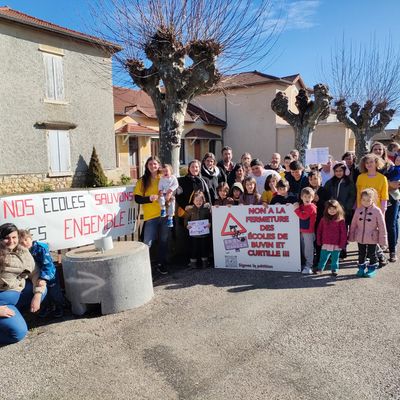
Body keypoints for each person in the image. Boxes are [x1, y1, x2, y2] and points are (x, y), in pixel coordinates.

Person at [0, 223, 47, 345]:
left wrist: (37, 295)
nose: (11, 241)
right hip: (2, 301)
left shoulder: (23, 251)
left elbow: (35, 273)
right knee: (18, 333)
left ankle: (15, 313)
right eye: (6, 238)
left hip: (18, 292)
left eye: (14, 237)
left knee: (42, 288)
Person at [134, 156, 170, 275]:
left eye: (155, 164)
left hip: (165, 215)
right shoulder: (142, 181)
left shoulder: (164, 177)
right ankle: (143, 267)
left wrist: (171, 194)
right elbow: (137, 199)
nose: (153, 166)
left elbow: (175, 188)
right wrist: (149, 198)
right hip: (150, 216)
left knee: (163, 241)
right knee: (147, 243)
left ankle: (161, 264)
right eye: (150, 164)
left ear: (159, 165)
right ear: (147, 166)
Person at [19, 230, 65, 318]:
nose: (25, 243)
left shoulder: (41, 248)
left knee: (54, 293)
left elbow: (48, 265)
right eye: (21, 242)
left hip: (49, 276)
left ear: (30, 238)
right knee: (43, 293)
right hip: (36, 275)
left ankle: (59, 306)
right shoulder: (24, 251)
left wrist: (44, 278)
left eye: (26, 239)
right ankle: (47, 307)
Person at [349, 188, 387, 278]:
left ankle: (371, 269)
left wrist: (383, 241)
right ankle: (361, 268)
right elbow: (353, 224)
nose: (365, 202)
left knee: (372, 254)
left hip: (372, 237)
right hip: (360, 237)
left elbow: (382, 226)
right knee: (361, 253)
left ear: (373, 200)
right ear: (360, 199)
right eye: (363, 200)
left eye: (368, 200)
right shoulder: (358, 210)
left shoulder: (377, 211)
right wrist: (351, 235)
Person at [324, 161, 356, 259]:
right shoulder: (330, 182)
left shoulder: (349, 183)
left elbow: (352, 196)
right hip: (332, 211)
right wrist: (329, 206)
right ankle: (333, 249)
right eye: (336, 171)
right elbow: (325, 194)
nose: (338, 173)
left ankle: (343, 248)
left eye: (340, 171)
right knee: (333, 230)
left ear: (344, 171)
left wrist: (346, 207)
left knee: (343, 230)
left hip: (345, 211)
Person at [315, 200, 347, 277]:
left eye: (334, 209)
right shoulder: (323, 219)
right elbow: (319, 230)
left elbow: (343, 233)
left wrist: (342, 244)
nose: (332, 211)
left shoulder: (341, 220)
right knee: (323, 257)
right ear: (327, 210)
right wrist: (318, 240)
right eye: (330, 209)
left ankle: (334, 269)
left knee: (335, 259)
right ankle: (320, 269)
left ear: (338, 209)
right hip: (325, 243)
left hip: (336, 244)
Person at [184, 191, 211, 269]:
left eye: (200, 200)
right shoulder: (190, 210)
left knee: (204, 248)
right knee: (194, 248)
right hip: (194, 234)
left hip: (204, 234)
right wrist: (187, 226)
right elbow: (186, 219)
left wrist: (210, 223)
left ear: (203, 200)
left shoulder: (206, 209)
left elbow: (210, 218)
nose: (198, 202)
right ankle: (193, 263)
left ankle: (205, 262)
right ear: (193, 201)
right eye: (196, 200)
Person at [294, 187, 317, 275]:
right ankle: (305, 264)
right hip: (302, 231)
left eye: (309, 197)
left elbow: (303, 216)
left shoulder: (311, 207)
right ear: (301, 197)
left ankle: (309, 266)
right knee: (303, 248)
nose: (307, 199)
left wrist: (296, 209)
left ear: (312, 197)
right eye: (305, 196)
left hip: (309, 232)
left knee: (308, 249)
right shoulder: (302, 206)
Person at [384, 153, 400, 262]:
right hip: (377, 198)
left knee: (391, 224)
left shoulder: (394, 168)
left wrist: (384, 182)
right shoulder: (390, 167)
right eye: (397, 159)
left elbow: (395, 184)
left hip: (392, 198)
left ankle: (392, 250)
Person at [158, 163, 179, 228]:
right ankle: (163, 208)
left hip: (171, 194)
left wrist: (171, 189)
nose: (165, 173)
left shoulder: (173, 178)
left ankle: (170, 218)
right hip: (164, 194)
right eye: (163, 171)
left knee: (172, 205)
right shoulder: (162, 179)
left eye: (166, 171)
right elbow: (160, 186)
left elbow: (176, 185)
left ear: (170, 171)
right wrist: (160, 190)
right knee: (161, 198)